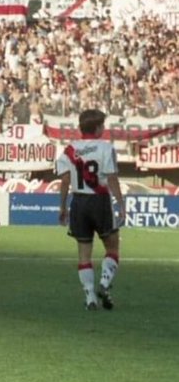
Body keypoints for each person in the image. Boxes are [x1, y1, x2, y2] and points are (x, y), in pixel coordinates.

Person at [56, 107, 124, 310]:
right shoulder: (105, 148)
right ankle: (104, 282)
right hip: (100, 201)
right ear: (97, 128)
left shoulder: (70, 150)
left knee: (84, 253)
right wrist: (120, 204)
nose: (104, 128)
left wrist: (62, 207)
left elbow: (65, 181)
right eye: (102, 125)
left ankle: (90, 297)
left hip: (79, 202)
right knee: (112, 247)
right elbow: (111, 178)